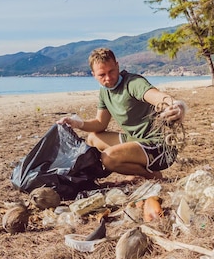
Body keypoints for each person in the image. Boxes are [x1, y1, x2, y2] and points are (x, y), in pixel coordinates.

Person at [57, 47, 186, 180]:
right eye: (102, 75)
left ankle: (150, 175)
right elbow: (100, 123)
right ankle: (134, 169)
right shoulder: (105, 91)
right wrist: (76, 123)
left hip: (159, 146)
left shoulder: (132, 83)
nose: (108, 78)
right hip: (136, 140)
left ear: (117, 66)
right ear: (93, 75)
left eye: (111, 71)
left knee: (108, 158)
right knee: (92, 139)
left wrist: (176, 105)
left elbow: (156, 96)